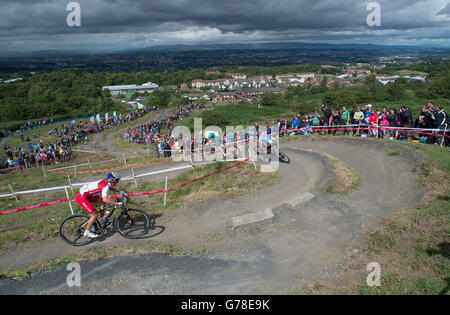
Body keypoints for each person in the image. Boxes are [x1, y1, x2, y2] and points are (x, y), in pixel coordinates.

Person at [75, 172, 125, 238]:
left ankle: (102, 219)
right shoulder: (105, 186)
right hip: (82, 198)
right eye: (117, 180)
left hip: (87, 195)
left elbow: (108, 188)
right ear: (113, 180)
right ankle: (87, 232)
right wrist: (117, 203)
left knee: (101, 201)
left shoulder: (105, 181)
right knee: (94, 214)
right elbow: (106, 199)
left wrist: (118, 191)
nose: (117, 182)